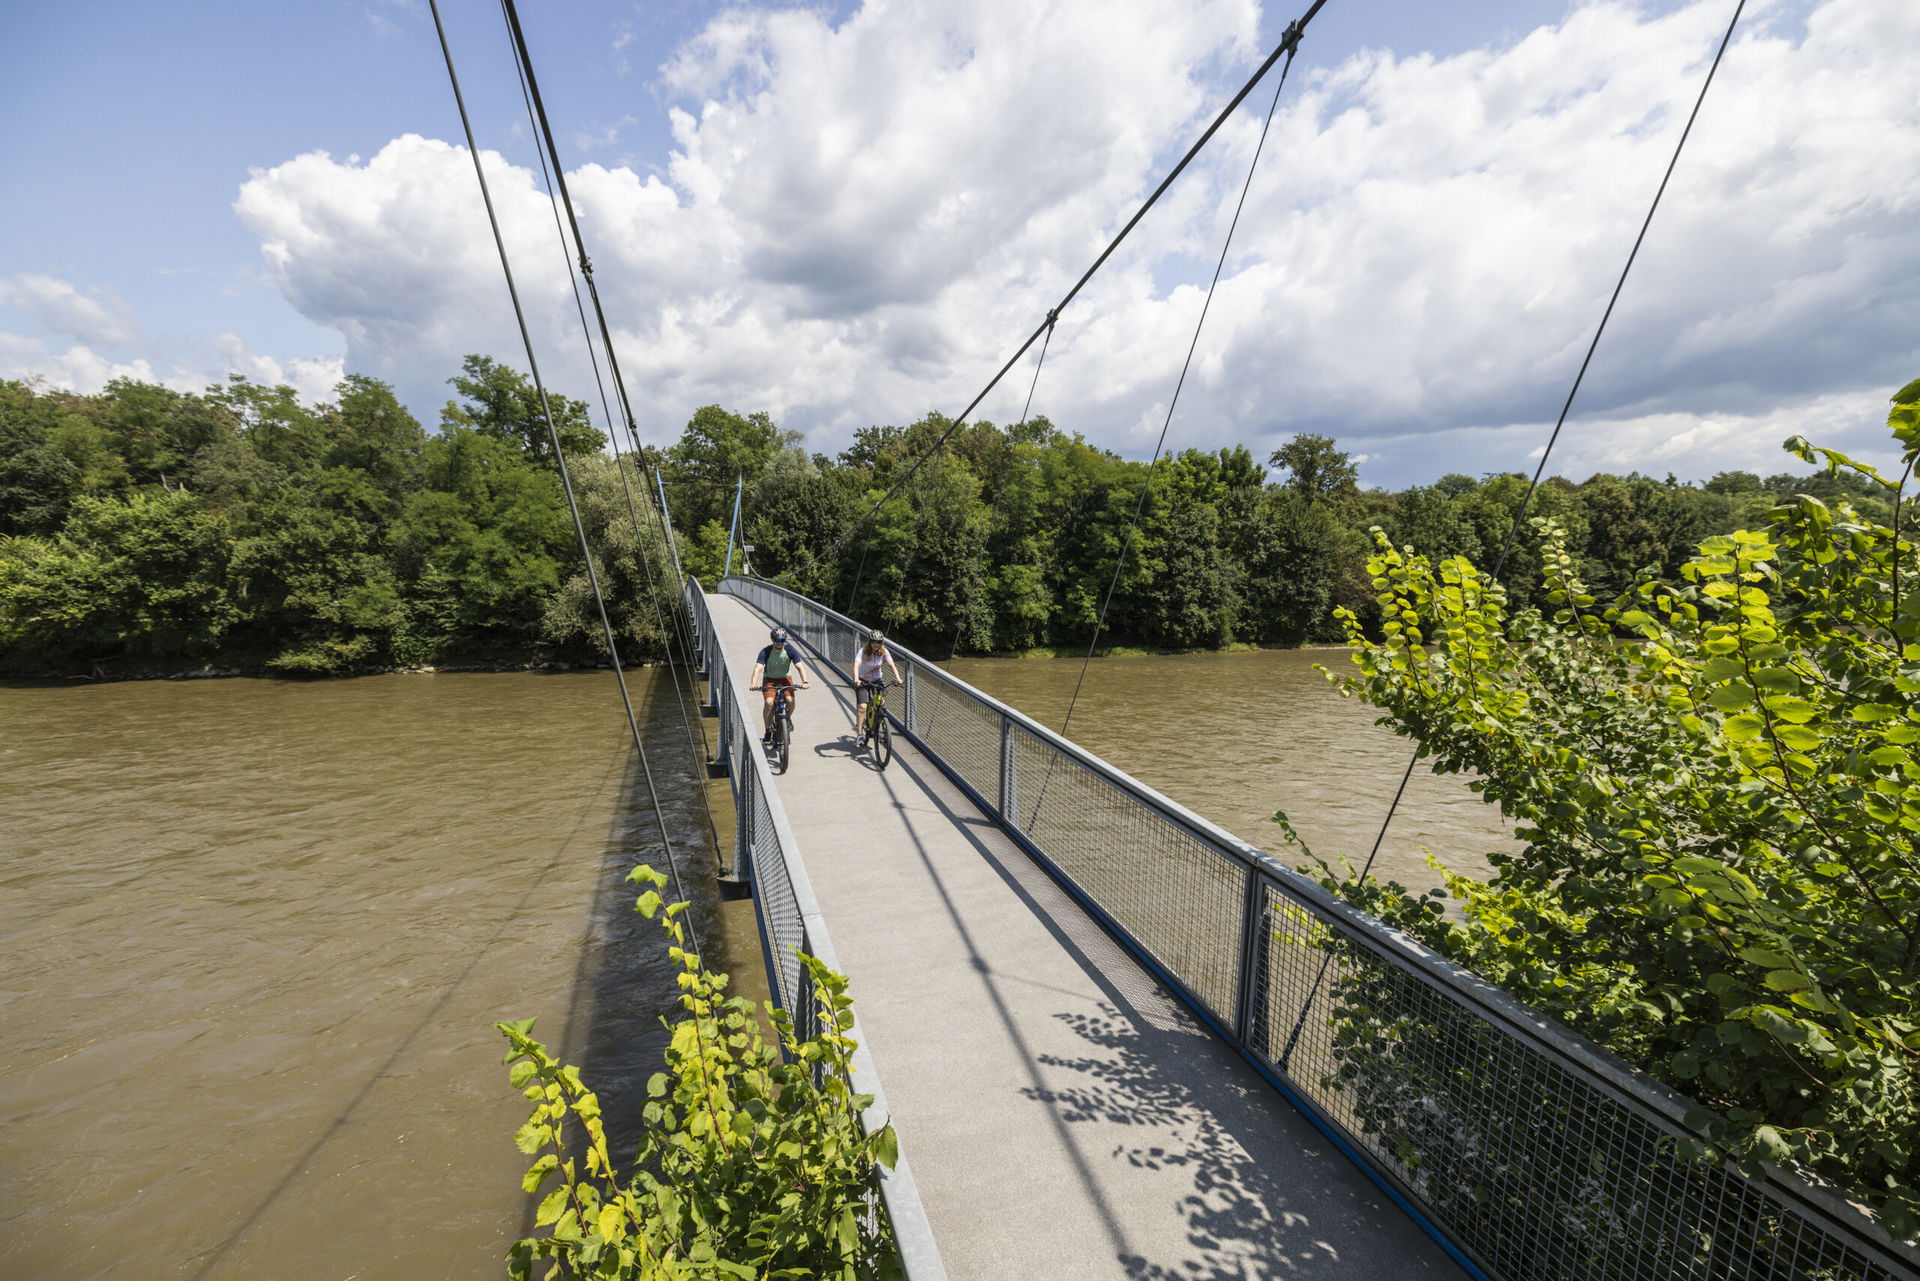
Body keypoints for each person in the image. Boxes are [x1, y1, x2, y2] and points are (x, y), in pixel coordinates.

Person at [749, 628, 809, 743]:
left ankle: (787, 719)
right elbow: (758, 669)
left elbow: (799, 666)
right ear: (772, 640)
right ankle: (767, 731)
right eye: (777, 640)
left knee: (790, 700)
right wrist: (754, 683)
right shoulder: (766, 651)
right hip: (769, 679)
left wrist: (805, 682)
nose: (779, 643)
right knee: (769, 702)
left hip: (785, 678)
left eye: (782, 640)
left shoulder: (790, 650)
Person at [854, 630, 901, 739]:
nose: (875, 644)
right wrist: (856, 679)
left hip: (877, 680)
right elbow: (856, 665)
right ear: (869, 642)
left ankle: (878, 724)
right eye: (873, 642)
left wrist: (898, 678)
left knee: (880, 703)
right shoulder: (863, 651)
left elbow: (891, 665)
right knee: (862, 707)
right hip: (862, 680)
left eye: (878, 642)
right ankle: (860, 734)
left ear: (881, 642)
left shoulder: (884, 651)